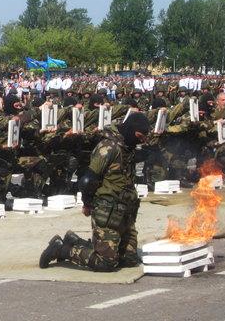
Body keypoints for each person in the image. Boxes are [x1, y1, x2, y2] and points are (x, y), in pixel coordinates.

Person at [39, 111, 151, 271]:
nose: (142, 141)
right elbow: (87, 180)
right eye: (140, 136)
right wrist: (87, 203)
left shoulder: (127, 148)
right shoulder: (108, 148)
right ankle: (62, 249)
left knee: (129, 260)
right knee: (106, 263)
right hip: (108, 213)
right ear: (131, 130)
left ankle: (75, 241)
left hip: (125, 213)